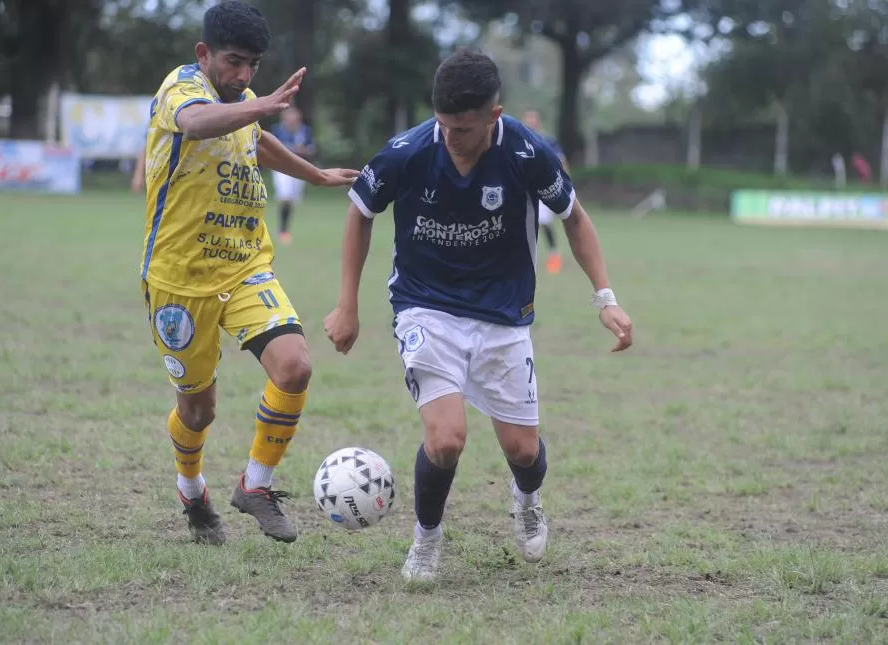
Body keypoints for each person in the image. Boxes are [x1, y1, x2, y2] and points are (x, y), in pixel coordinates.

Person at [323, 48, 633, 582]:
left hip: (504, 315)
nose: (450, 138)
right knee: (445, 439)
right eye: (443, 125)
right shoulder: (408, 151)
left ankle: (527, 497)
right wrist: (346, 303)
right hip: (426, 307)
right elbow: (360, 212)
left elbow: (575, 219)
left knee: (523, 450)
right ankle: (426, 541)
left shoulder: (527, 152)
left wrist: (605, 298)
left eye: (462, 129)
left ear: (493, 116)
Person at [139, 0, 358, 545]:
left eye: (252, 65)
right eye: (233, 62)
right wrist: (260, 103)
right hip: (179, 280)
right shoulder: (182, 90)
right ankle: (192, 491)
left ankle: (255, 485)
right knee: (198, 409)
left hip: (245, 265)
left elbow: (258, 141)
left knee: (295, 367)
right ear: (203, 53)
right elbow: (196, 123)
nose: (242, 75)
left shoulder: (243, 106)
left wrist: (317, 176)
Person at [522, 109, 568, 274]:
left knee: (544, 222)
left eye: (533, 119)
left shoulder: (548, 140)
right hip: (524, 189)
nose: (531, 122)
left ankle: (553, 254)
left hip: (543, 187)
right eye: (528, 119)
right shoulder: (519, 140)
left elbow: (561, 162)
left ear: (538, 120)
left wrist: (565, 183)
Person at [271, 106, 316, 244]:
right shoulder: (278, 130)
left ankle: (285, 229)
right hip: (282, 169)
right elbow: (273, 148)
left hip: (299, 169)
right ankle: (283, 230)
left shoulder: (305, 131)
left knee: (291, 201)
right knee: (285, 197)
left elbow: (312, 150)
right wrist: (291, 149)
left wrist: (303, 150)